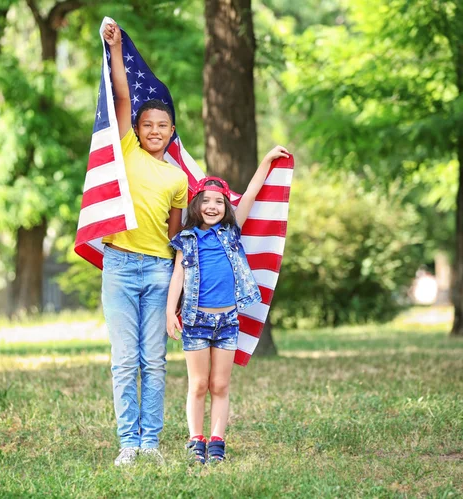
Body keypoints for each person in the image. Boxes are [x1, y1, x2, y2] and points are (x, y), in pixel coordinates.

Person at [166, 145, 290, 464]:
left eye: (218, 201)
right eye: (205, 200)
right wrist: (170, 311)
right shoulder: (188, 238)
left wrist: (266, 161)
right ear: (196, 204)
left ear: (226, 207)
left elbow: (249, 194)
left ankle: (217, 442)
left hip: (227, 324)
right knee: (198, 384)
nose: (212, 206)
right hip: (195, 321)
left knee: (220, 385)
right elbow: (178, 275)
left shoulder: (232, 232)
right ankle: (196, 441)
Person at [101, 22, 188, 466]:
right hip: (117, 266)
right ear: (137, 129)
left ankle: (150, 442)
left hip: (157, 271)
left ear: (172, 133)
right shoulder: (127, 151)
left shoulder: (177, 179)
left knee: (153, 361)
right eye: (147, 124)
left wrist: (178, 287)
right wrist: (115, 49)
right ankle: (128, 444)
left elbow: (175, 237)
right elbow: (120, 96)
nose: (154, 130)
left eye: (163, 125)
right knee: (123, 361)